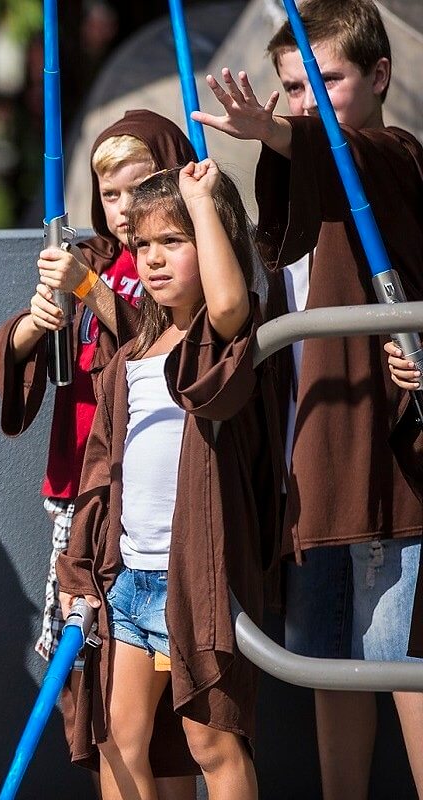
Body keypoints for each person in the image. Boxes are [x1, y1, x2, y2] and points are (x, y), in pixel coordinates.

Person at [193, 1, 423, 793]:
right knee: (331, 668)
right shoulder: (296, 172)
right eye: (293, 87)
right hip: (312, 473)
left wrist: (281, 133)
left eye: (325, 83)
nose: (303, 103)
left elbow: (349, 156)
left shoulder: (393, 157)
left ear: (380, 76)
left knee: (409, 671)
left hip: (388, 474)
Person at [0, 110, 197, 798]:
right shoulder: (94, 258)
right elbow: (25, 354)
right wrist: (33, 322)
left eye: (140, 188)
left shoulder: (178, 258)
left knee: (169, 691)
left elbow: (165, 350)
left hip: (153, 507)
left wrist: (89, 291)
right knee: (93, 680)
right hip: (79, 493)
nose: (124, 209)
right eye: (109, 194)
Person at [57, 161, 277, 800]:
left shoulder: (216, 344)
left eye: (173, 242)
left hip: (198, 582)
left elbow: (230, 301)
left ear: (211, 241)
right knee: (118, 740)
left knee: (213, 743)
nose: (153, 260)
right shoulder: (131, 355)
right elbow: (101, 474)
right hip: (130, 578)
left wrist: (200, 201)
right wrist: (84, 572)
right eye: (143, 245)